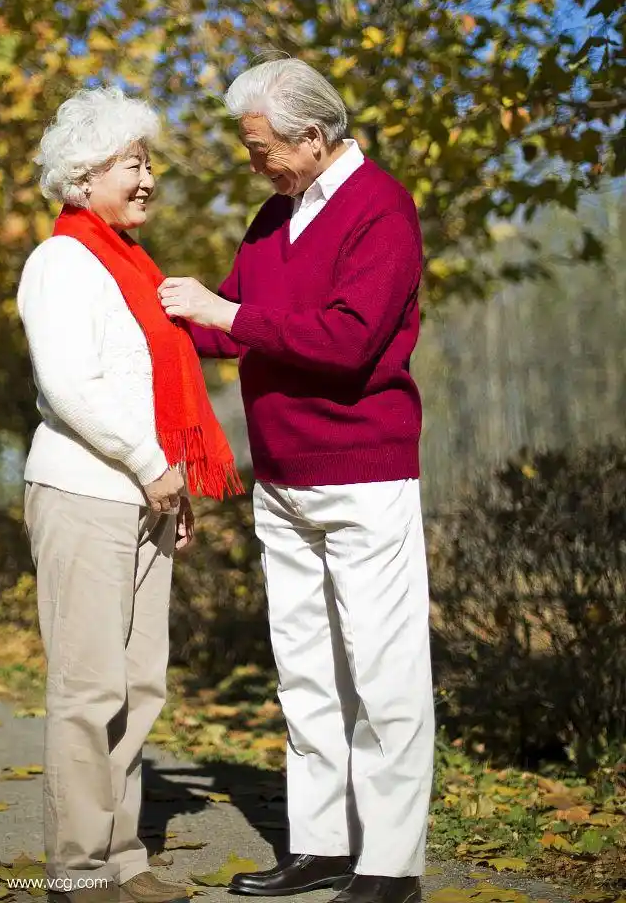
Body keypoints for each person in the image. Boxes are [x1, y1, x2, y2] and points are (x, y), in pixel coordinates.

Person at [158, 59, 433, 903]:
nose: (255, 165)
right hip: (280, 477)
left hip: (362, 476)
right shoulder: (275, 214)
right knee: (306, 672)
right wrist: (148, 313)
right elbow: (225, 328)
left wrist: (226, 314)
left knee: (384, 676)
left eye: (262, 149)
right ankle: (321, 845)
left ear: (312, 137)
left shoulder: (381, 208)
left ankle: (391, 865)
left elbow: (347, 340)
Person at [17, 86, 242, 903]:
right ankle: (78, 873)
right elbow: (71, 385)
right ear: (83, 177)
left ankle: (122, 859)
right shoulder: (62, 263)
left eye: (148, 164)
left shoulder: (132, 268)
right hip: (85, 491)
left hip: (144, 496)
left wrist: (170, 488)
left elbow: (148, 390)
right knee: (88, 690)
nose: (148, 179)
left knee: (140, 684)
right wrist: (152, 464)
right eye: (131, 165)